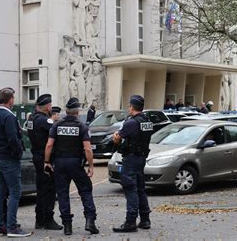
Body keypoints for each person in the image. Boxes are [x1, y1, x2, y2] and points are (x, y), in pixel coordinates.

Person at [44, 97, 99, 236]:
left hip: (60, 163)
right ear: (77, 112)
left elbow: (49, 145)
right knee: (85, 190)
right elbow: (87, 149)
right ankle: (90, 221)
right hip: (75, 163)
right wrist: (91, 165)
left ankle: (67, 226)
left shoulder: (57, 125)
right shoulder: (82, 127)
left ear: (66, 111)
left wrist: (46, 162)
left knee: (62, 193)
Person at [0, 87, 32, 237]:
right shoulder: (9, 117)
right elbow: (13, 138)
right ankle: (12, 227)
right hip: (8, 158)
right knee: (14, 192)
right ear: (11, 100)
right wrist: (18, 153)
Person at [112, 95, 153, 233]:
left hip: (131, 159)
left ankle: (130, 222)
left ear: (132, 107)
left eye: (129, 106)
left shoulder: (131, 123)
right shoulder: (147, 121)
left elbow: (118, 138)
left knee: (131, 189)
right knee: (140, 188)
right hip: (141, 158)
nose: (128, 108)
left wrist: (115, 137)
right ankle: (145, 219)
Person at [26, 94, 62, 230]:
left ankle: (39, 219)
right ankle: (48, 219)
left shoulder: (31, 119)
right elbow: (57, 133)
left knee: (41, 189)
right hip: (46, 158)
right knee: (49, 189)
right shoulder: (45, 121)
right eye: (50, 105)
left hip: (36, 156)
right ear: (47, 106)